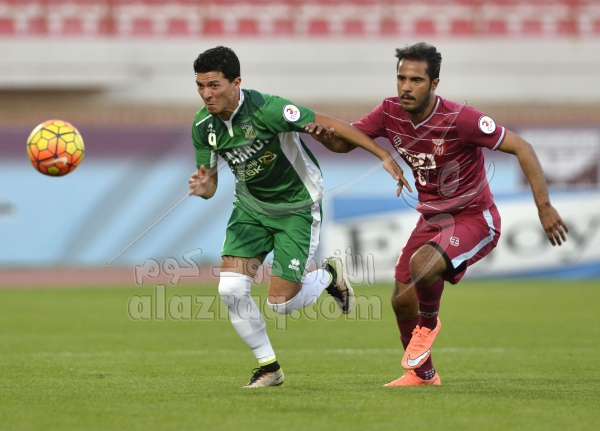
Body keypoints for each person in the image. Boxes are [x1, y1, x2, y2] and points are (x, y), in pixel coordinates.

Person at [304, 42, 569, 386]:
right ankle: (423, 375)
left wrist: (544, 207)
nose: (406, 87)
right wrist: (326, 138)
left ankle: (428, 325)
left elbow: (522, 146)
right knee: (401, 300)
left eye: (416, 80)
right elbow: (344, 142)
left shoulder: (461, 119)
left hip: (475, 218)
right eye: (401, 78)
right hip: (432, 219)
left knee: (422, 265)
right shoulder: (389, 112)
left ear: (434, 83)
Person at [187, 46, 409, 388]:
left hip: (296, 206)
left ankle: (328, 275)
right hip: (250, 208)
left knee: (280, 304)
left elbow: (330, 124)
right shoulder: (203, 126)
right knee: (230, 289)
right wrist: (203, 186)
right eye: (200, 86)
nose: (206, 94)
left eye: (214, 85)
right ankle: (269, 368)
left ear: (236, 82)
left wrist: (382, 155)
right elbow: (210, 185)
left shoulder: (269, 109)